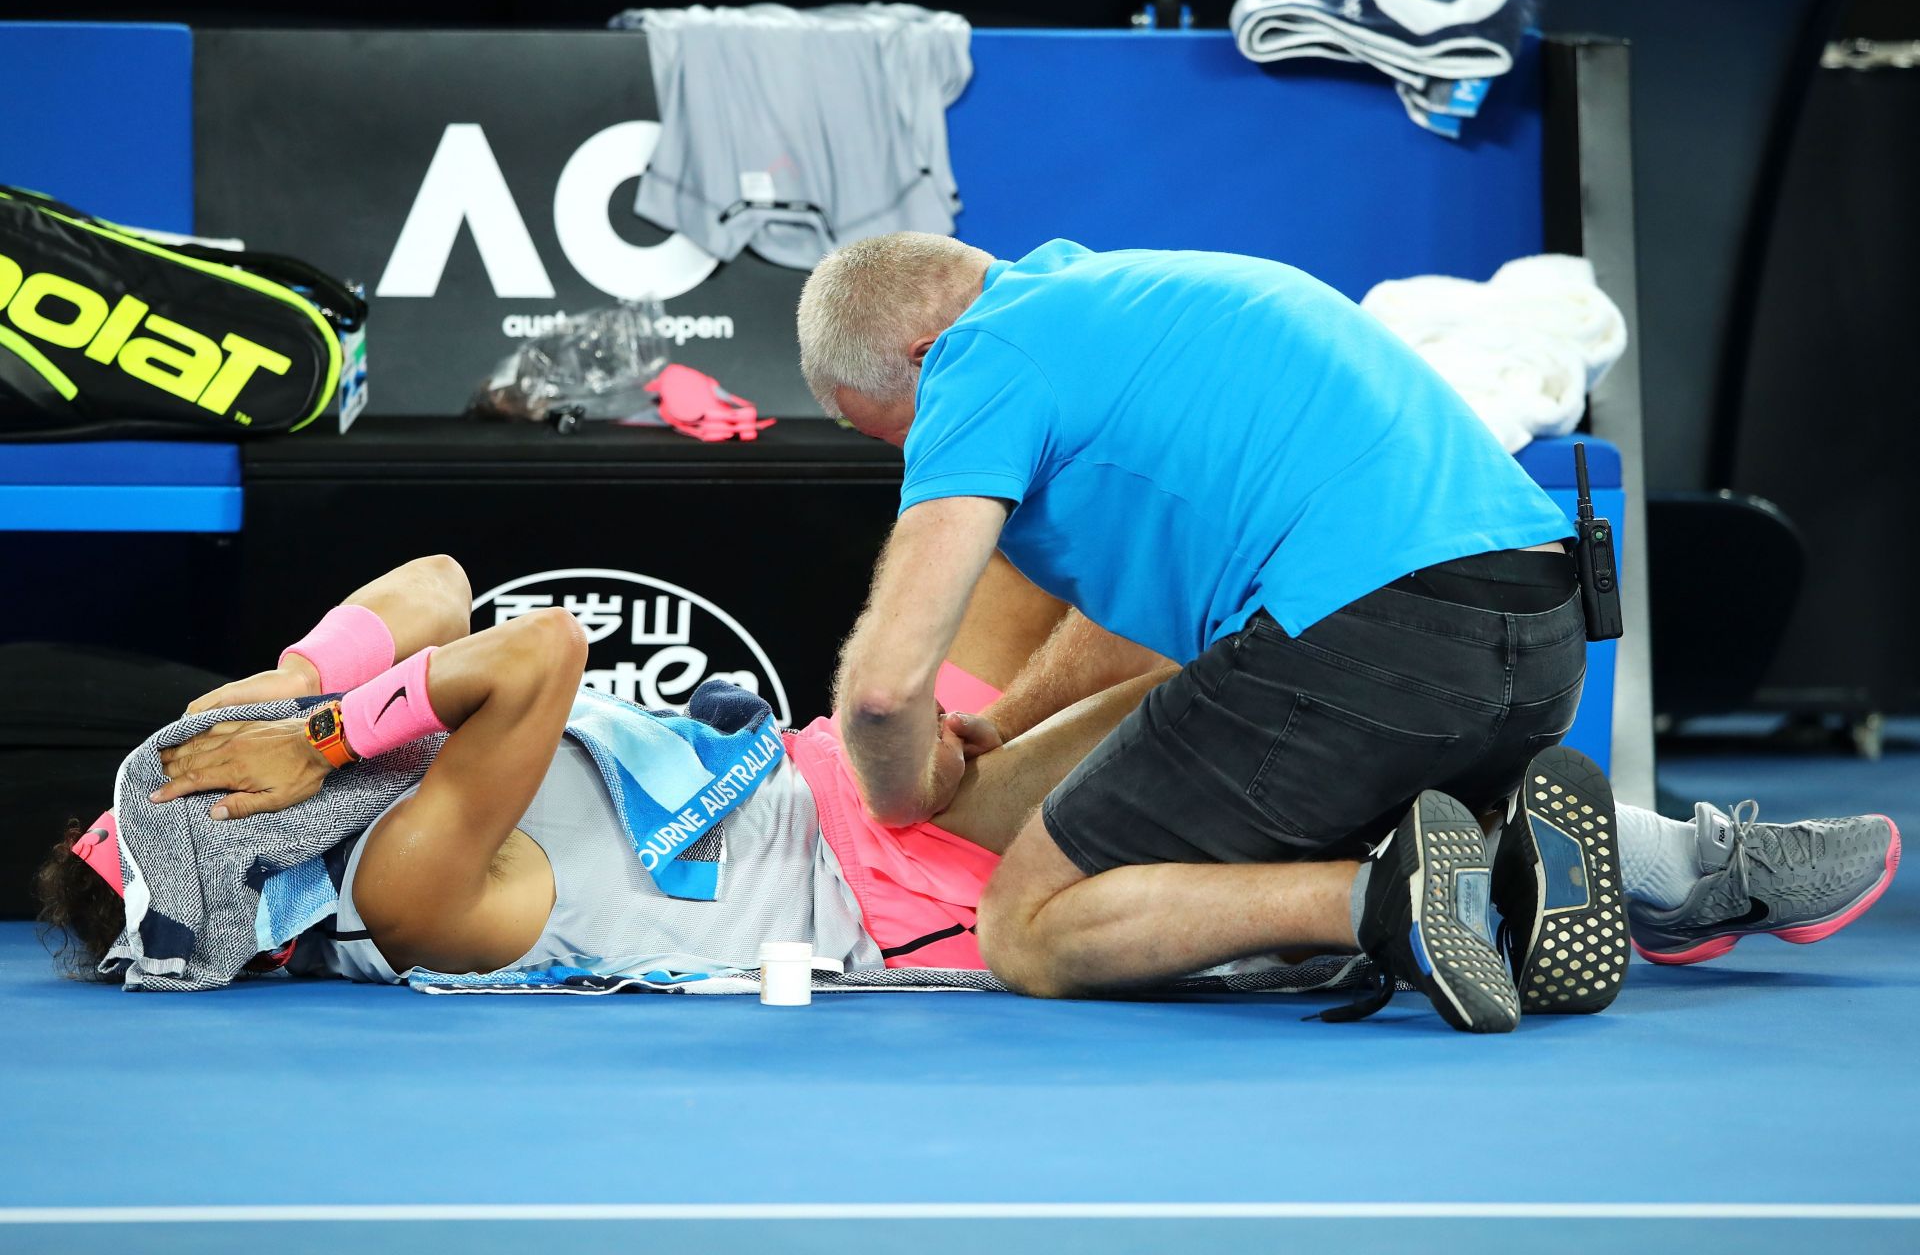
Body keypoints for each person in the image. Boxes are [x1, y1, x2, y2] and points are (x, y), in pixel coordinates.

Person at [794, 233, 1893, 1031]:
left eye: (881, 428)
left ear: (924, 356)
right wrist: (998, 719)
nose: (908, 454)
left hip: (1369, 646)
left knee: (1026, 925)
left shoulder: (977, 362)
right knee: (1250, 725)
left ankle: (1386, 897)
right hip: (1537, 634)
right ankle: (1668, 865)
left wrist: (898, 785)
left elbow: (886, 693)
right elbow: (1151, 626)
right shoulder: (1124, 297)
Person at [37, 554, 1897, 997]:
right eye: (208, 768)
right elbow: (530, 644)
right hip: (893, 892)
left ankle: (1554, 854)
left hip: (856, 790)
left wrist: (280, 684)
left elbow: (439, 589)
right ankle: (1659, 870)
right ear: (232, 844)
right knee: (1227, 705)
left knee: (1061, 549)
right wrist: (331, 727)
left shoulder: (338, 767)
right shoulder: (407, 886)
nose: (239, 745)